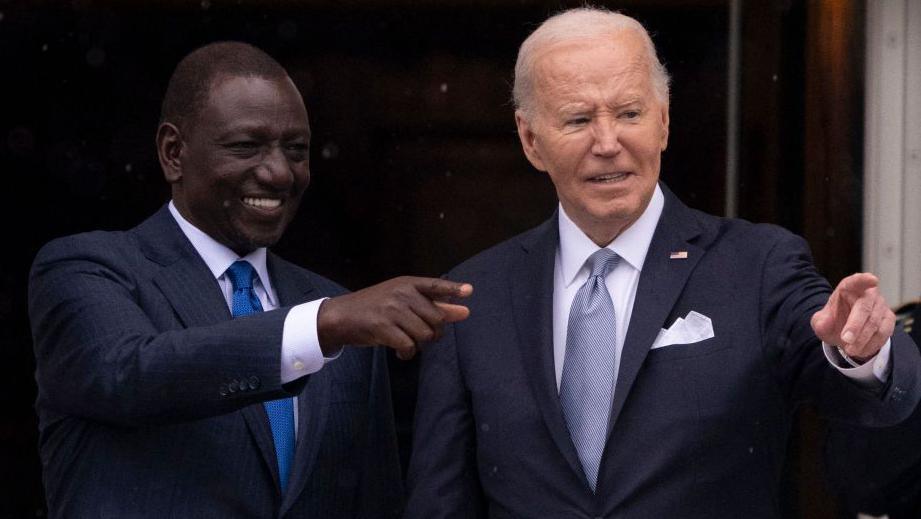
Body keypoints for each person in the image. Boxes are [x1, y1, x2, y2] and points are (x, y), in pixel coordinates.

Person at [405, 8, 921, 518]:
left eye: (630, 114)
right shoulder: (473, 297)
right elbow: (439, 501)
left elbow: (869, 402)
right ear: (531, 140)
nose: (608, 144)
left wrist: (864, 353)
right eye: (579, 120)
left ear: (664, 121)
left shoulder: (756, 265)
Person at [28, 41, 470, 518]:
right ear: (173, 153)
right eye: (246, 147)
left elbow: (373, 502)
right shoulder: (88, 269)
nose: (280, 173)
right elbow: (130, 375)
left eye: (296, 150)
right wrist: (320, 326)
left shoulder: (339, 313)